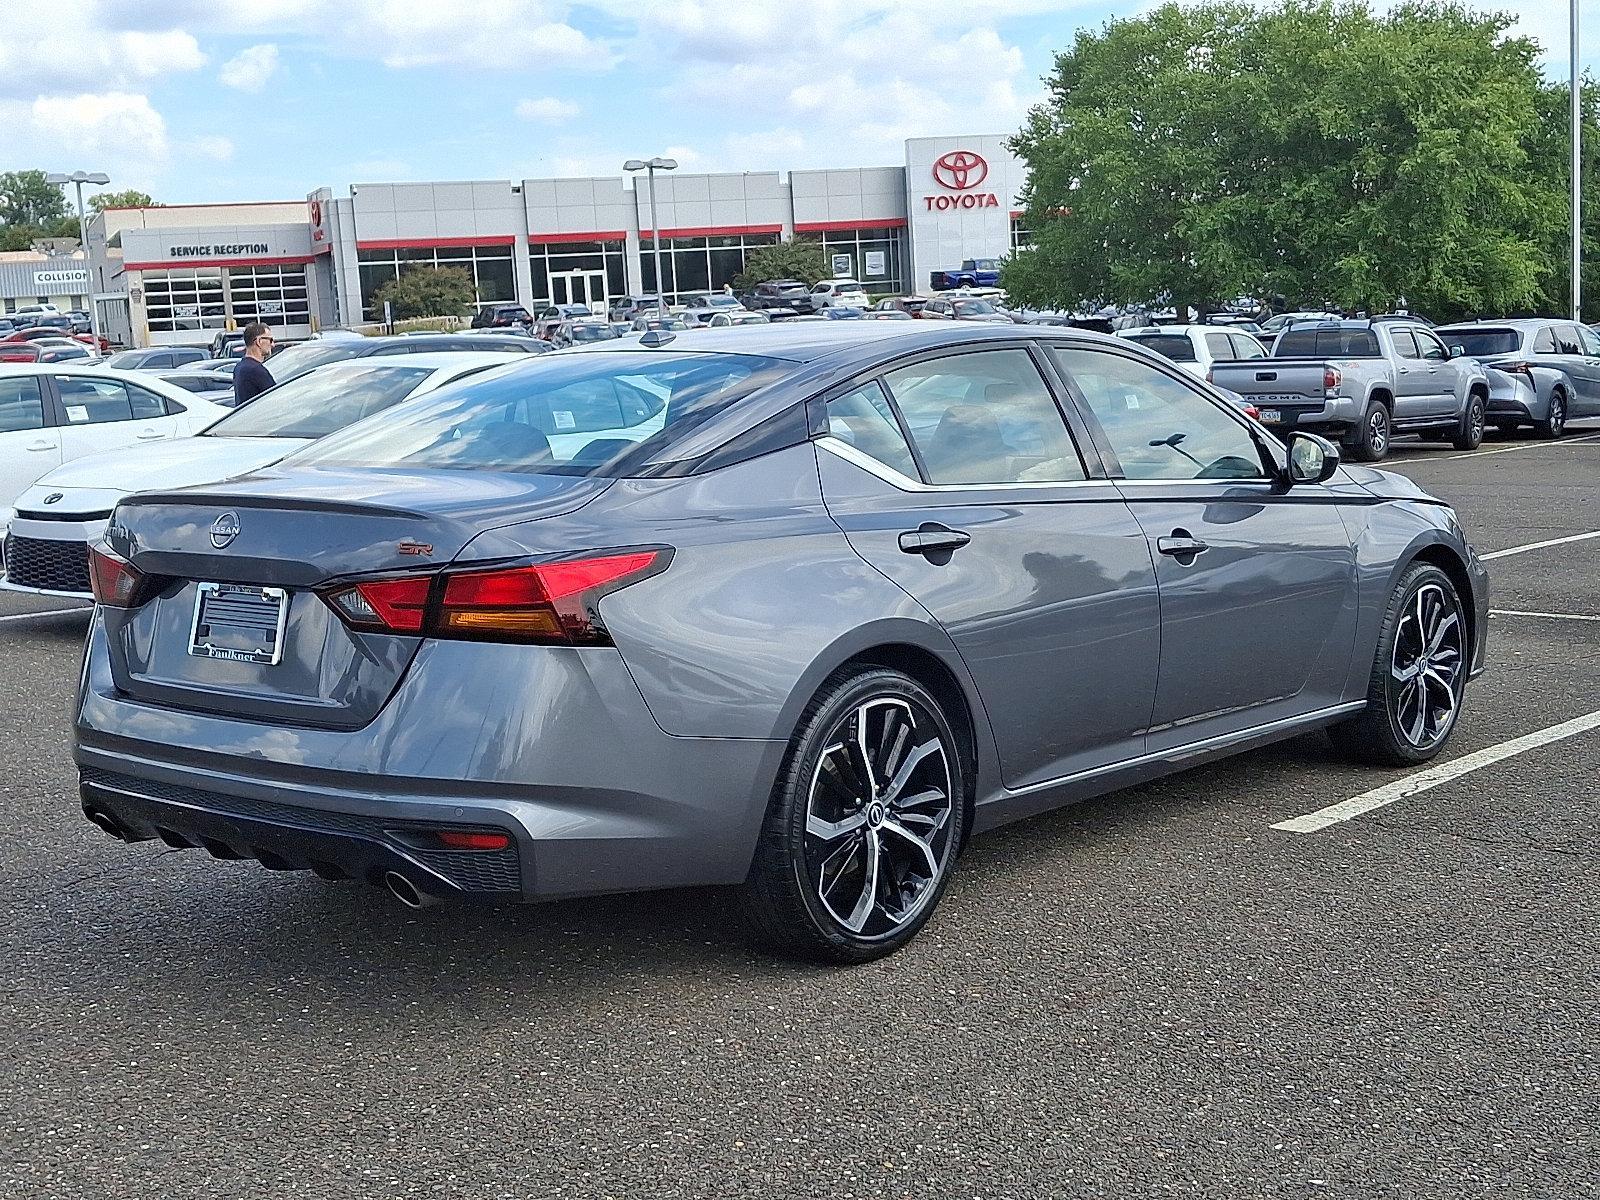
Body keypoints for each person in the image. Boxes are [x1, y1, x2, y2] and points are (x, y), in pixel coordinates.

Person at [232, 322, 275, 406]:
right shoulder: (256, 371)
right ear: (259, 341)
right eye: (270, 340)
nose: (273, 345)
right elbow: (275, 400)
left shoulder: (239, 367)